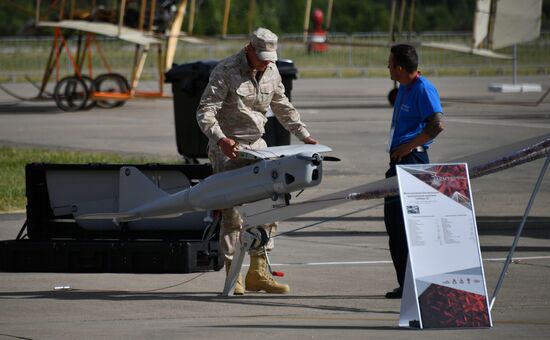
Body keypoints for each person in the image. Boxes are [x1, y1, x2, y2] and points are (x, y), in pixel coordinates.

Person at [196, 27, 318, 295]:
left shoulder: (272, 71)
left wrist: (305, 136)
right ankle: (233, 275)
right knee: (232, 214)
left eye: (269, 57)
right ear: (248, 48)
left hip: (258, 148)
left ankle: (258, 272)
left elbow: (282, 105)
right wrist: (220, 139)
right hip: (229, 148)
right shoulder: (226, 70)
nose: (265, 62)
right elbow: (205, 111)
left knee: (268, 208)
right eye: (261, 56)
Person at [384, 44, 445, 299]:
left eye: (389, 64)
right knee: (396, 227)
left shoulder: (423, 89)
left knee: (409, 226)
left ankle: (417, 283)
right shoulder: (404, 89)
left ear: (399, 67)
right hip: (399, 159)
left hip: (412, 158)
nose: (387, 67)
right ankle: (406, 283)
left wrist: (408, 147)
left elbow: (437, 124)